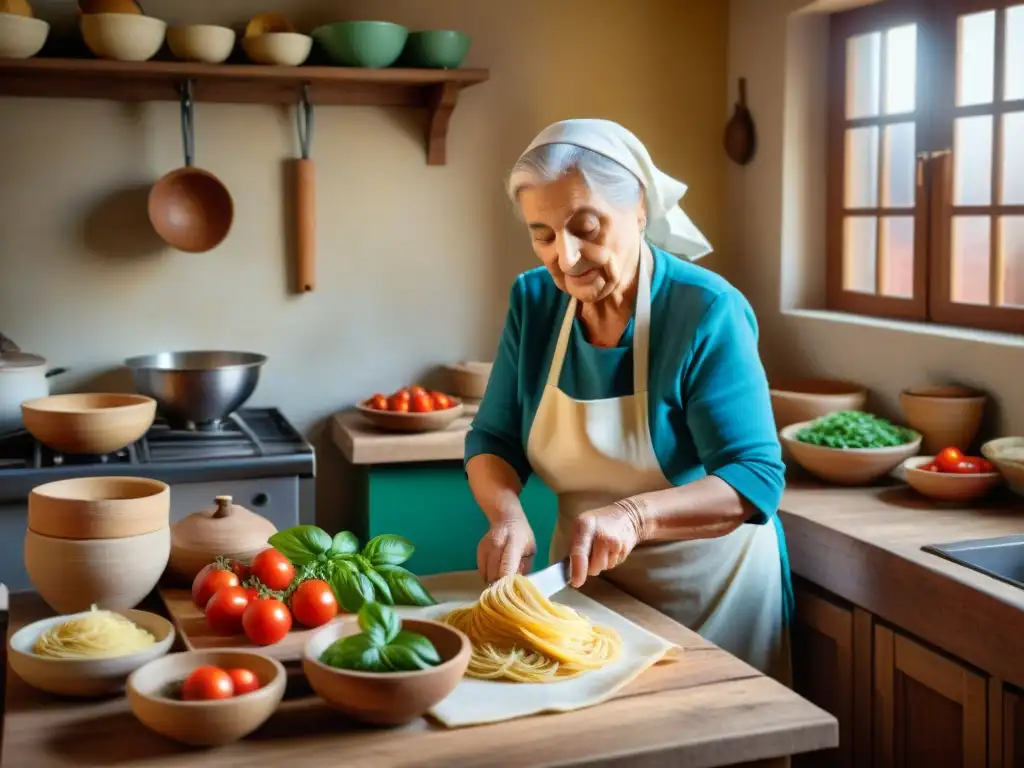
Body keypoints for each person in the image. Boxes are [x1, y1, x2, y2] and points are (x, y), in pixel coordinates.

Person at [464, 118, 792, 682]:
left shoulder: (705, 308)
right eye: (542, 235)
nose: (565, 258)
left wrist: (636, 515)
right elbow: (494, 439)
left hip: (712, 595)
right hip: (591, 588)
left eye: (585, 228)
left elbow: (754, 476)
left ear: (639, 209)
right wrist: (507, 515)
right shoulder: (535, 301)